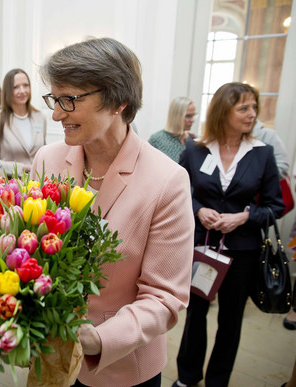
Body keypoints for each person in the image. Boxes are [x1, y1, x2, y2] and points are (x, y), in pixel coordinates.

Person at [32, 37, 195, 387]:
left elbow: (165, 297)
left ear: (118, 101)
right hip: (48, 355)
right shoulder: (47, 159)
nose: (57, 113)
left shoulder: (167, 181)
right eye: (54, 99)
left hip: (120, 365)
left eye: (69, 100)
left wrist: (97, 339)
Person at [174, 82, 284, 387]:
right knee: (195, 314)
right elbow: (180, 192)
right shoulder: (195, 150)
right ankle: (187, 375)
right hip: (202, 247)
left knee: (231, 320)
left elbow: (276, 205)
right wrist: (198, 210)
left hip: (242, 251)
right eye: (244, 108)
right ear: (224, 111)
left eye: (254, 107)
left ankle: (218, 380)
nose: (253, 114)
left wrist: (245, 217)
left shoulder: (262, 153)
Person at [0, 68, 47, 176]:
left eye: (25, 85)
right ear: (7, 91)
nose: (22, 91)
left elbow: (43, 154)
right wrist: (22, 168)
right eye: (15, 87)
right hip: (11, 187)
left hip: (37, 185)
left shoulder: (40, 117)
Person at [148, 96, 196, 162]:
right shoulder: (156, 140)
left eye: (193, 116)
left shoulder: (193, 140)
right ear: (176, 116)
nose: (192, 120)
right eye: (188, 116)